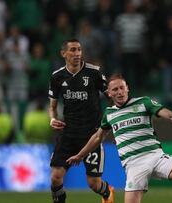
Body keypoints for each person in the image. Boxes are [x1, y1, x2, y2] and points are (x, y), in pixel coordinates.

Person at [67, 74, 172, 203]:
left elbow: (169, 114)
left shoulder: (143, 102)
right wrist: (80, 155)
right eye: (115, 89)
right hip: (134, 165)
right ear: (109, 93)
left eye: (122, 87)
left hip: (155, 156)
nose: (120, 92)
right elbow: (97, 137)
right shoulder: (109, 114)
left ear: (127, 88)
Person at [48, 39, 114, 203]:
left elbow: (112, 98)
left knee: (93, 183)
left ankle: (107, 192)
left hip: (91, 135)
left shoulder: (94, 73)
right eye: (73, 50)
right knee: (56, 177)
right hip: (68, 133)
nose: (77, 53)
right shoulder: (57, 77)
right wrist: (52, 118)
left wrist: (109, 121)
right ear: (63, 53)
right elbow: (53, 106)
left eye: (79, 50)